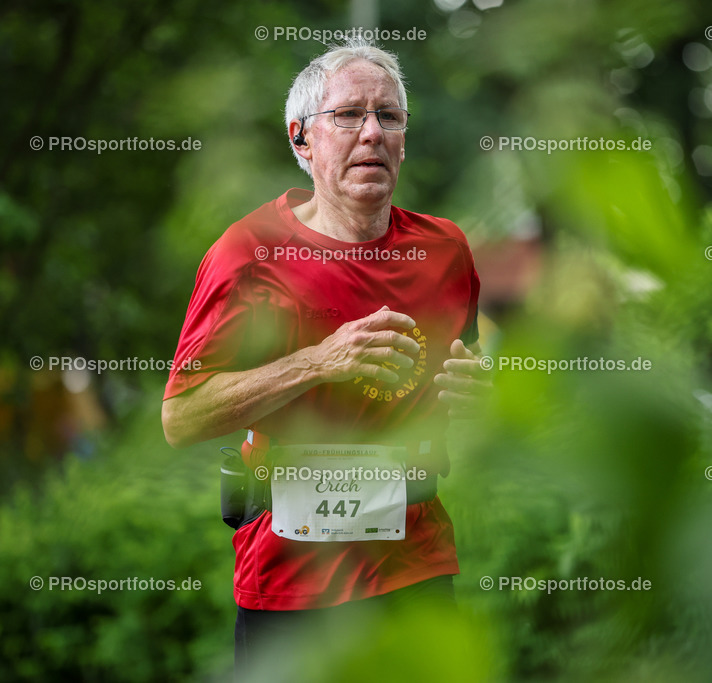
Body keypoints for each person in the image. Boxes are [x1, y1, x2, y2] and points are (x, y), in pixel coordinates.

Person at [160, 39, 489, 675]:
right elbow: (182, 419)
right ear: (302, 139)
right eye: (348, 116)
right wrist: (319, 361)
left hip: (414, 567)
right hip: (290, 579)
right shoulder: (248, 252)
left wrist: (479, 398)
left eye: (389, 117)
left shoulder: (446, 251)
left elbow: (461, 377)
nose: (372, 132)